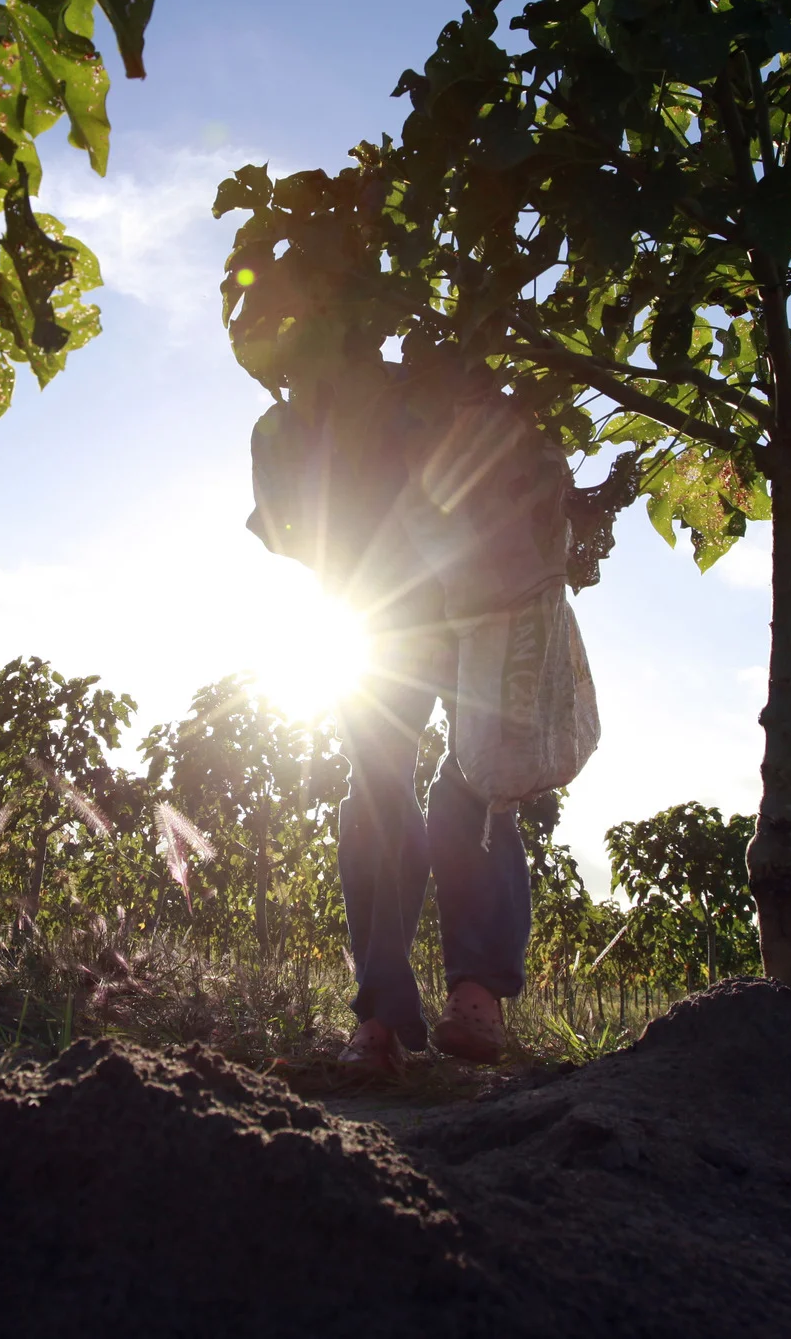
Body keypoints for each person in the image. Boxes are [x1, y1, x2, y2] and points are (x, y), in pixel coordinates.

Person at [248, 357, 597, 1072]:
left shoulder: (455, 387)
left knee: (473, 782)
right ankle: (381, 1011)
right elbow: (299, 518)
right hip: (383, 608)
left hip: (480, 599)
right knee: (379, 791)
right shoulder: (341, 393)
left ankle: (474, 994)